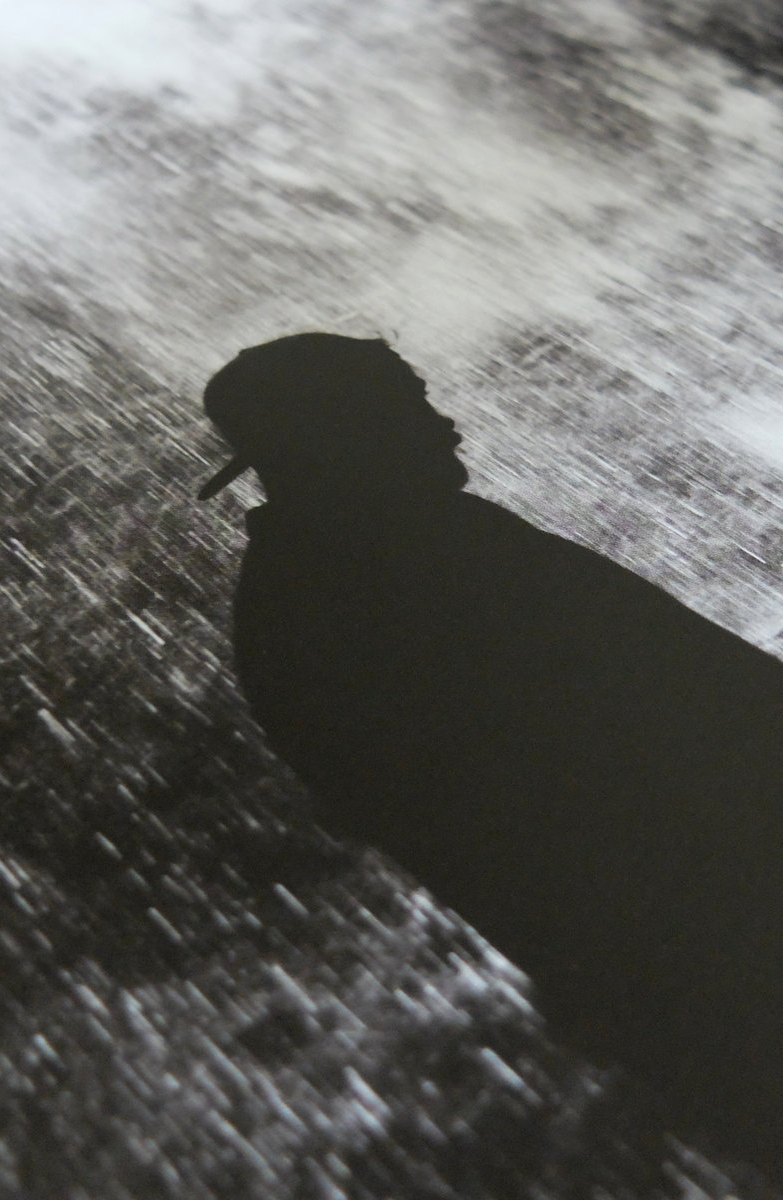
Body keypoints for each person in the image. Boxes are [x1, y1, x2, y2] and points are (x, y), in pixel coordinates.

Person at [199, 331, 783, 1178]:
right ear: (338, 434)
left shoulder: (352, 574)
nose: (447, 426)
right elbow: (653, 736)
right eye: (409, 408)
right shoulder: (383, 586)